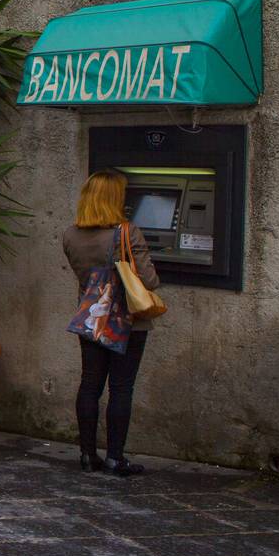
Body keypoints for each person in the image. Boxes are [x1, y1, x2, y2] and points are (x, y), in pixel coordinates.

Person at [63, 170, 160, 477]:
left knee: (90, 385)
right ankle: (115, 458)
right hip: (126, 322)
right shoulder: (127, 233)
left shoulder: (70, 234)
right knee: (121, 388)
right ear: (115, 198)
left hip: (91, 319)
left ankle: (87, 455)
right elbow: (150, 280)